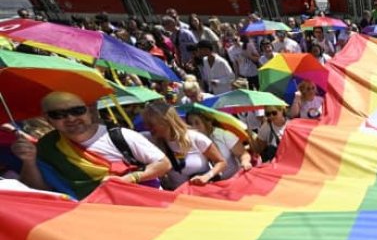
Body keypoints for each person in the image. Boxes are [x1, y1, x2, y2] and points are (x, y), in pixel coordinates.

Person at [10, 92, 171, 199]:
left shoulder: (118, 135)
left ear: (88, 111)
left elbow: (163, 163)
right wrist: (29, 161)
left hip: (146, 203)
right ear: (47, 119)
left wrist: (130, 178)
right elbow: (40, 188)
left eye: (77, 111)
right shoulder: (47, 147)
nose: (71, 118)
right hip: (95, 216)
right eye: (58, 114)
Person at [141, 102, 227, 190]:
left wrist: (207, 176)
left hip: (205, 192)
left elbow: (221, 162)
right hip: (180, 197)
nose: (147, 127)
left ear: (165, 121)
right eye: (146, 124)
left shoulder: (195, 138)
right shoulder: (152, 141)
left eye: (151, 124)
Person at [185, 110, 252, 179]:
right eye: (190, 124)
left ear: (208, 122)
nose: (194, 127)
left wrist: (245, 162)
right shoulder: (190, 142)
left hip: (235, 179)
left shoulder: (224, 135)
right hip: (211, 184)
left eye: (197, 123)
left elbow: (243, 154)